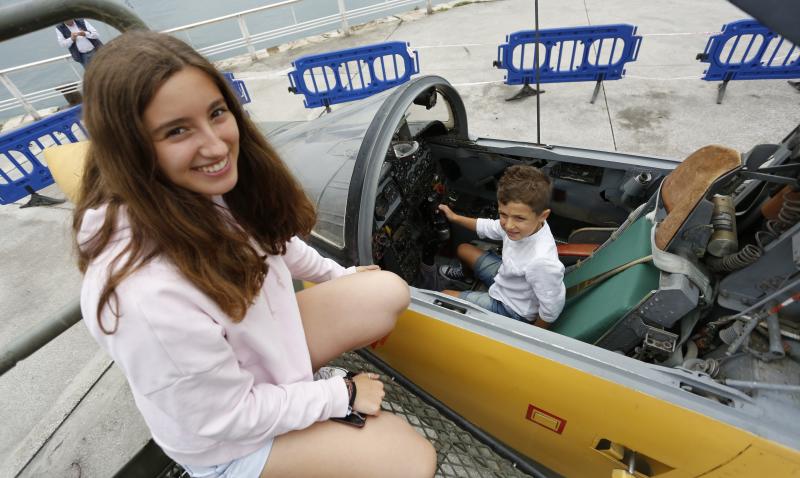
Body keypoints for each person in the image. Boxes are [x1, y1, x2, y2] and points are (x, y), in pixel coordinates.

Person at [73, 31, 436, 477]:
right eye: (177, 130)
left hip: (258, 361)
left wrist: (340, 278)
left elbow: (276, 242)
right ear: (127, 149)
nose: (216, 146)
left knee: (384, 291)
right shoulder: (143, 298)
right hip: (228, 443)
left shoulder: (198, 190)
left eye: (216, 113)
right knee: (411, 460)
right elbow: (226, 418)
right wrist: (340, 395)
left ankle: (301, 406)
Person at [438, 165, 565, 328]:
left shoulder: (542, 262)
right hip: (506, 277)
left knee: (442, 297)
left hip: (512, 308)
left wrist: (529, 335)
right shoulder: (528, 225)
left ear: (543, 216)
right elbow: (489, 227)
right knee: (463, 249)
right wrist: (455, 217)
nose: (508, 225)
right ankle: (466, 277)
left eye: (519, 218)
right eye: (503, 214)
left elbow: (551, 310)